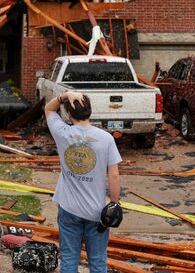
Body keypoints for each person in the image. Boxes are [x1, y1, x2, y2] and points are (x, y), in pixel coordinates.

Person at [45, 90, 122, 273]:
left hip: (69, 210)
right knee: (97, 261)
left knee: (69, 260)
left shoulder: (62, 133)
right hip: (97, 213)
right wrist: (114, 204)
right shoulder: (106, 139)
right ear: (90, 112)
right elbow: (114, 175)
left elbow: (49, 109)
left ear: (69, 115)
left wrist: (65, 96)